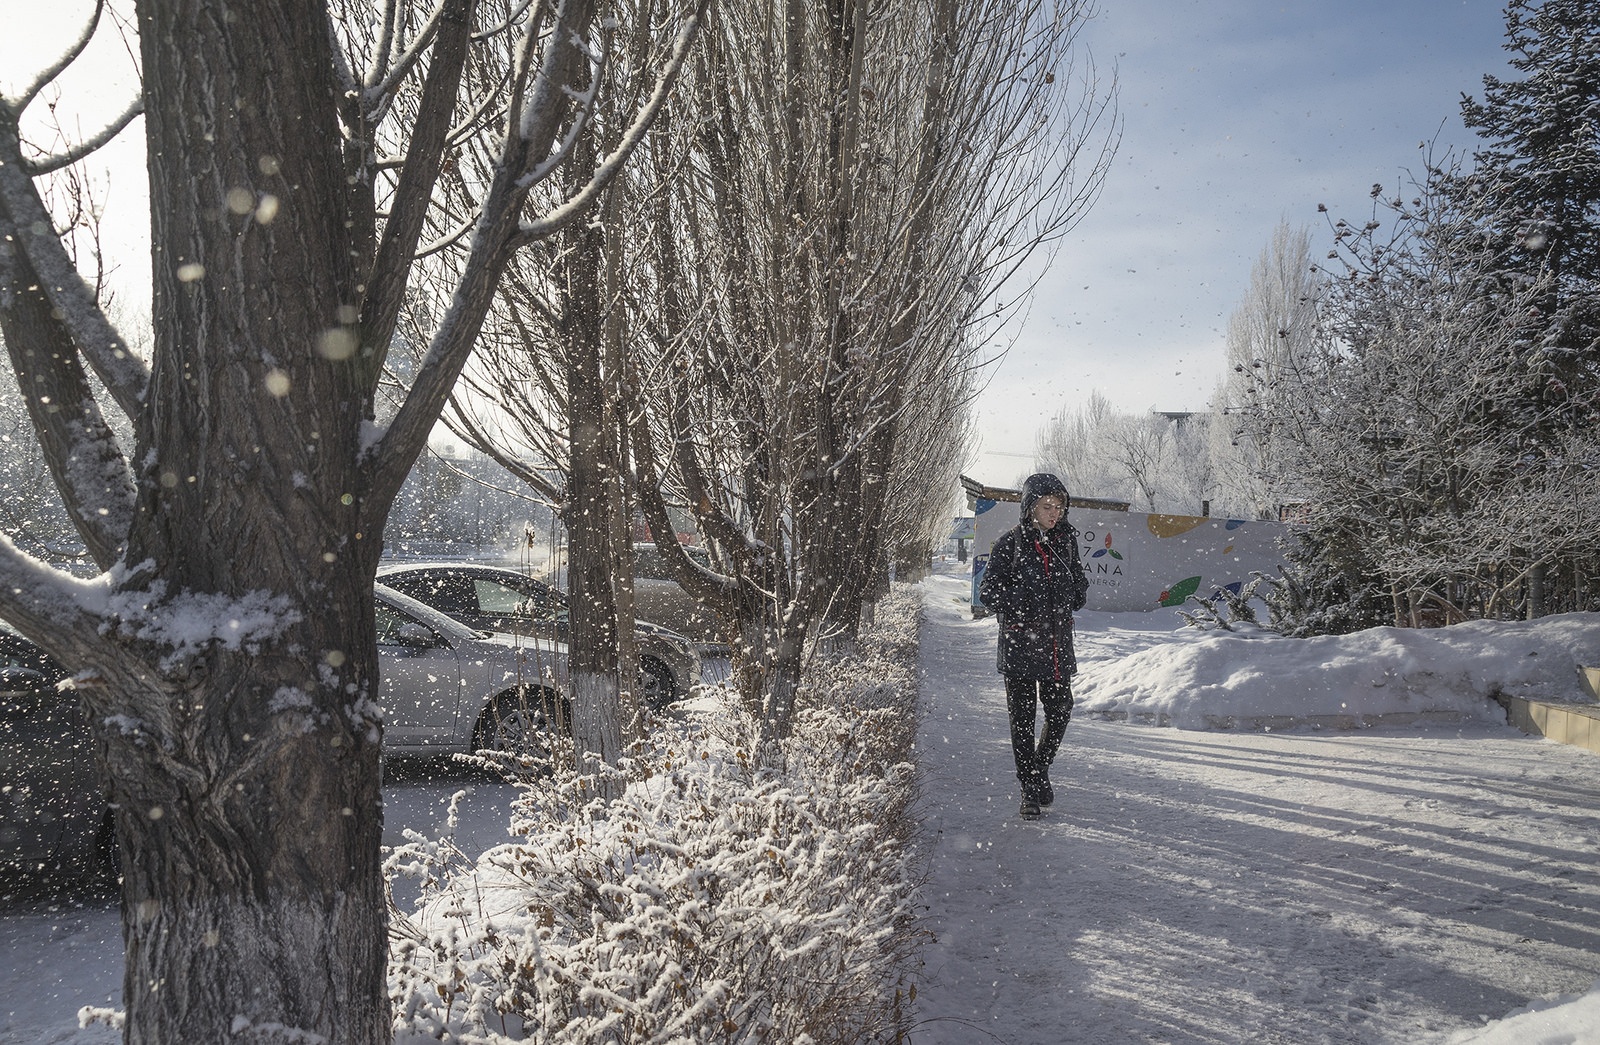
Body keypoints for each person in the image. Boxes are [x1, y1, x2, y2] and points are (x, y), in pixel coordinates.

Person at [977, 473, 1089, 820]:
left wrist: (1077, 592)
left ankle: (1039, 768)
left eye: (1059, 506)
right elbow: (988, 593)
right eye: (1046, 506)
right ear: (1030, 508)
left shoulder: (1066, 542)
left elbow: (1079, 582)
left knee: (1060, 711)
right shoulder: (1009, 544)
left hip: (1056, 645)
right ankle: (1028, 788)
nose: (1054, 512)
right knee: (1023, 721)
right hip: (1020, 647)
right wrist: (1025, 599)